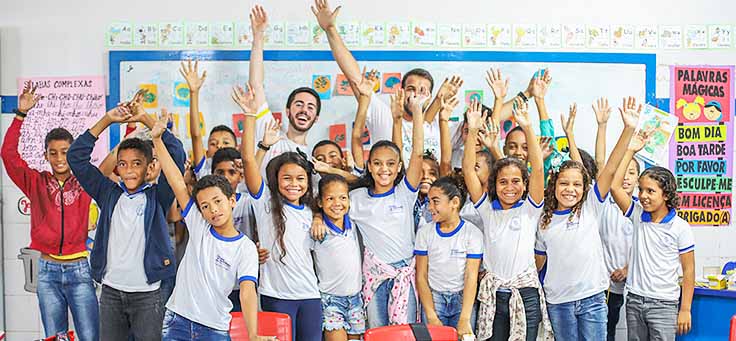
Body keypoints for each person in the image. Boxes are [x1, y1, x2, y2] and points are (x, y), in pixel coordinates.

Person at [68, 93, 184, 340]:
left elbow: (177, 156)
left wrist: (146, 119)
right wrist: (107, 120)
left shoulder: (158, 196)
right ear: (116, 167)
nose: (129, 170)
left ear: (150, 167)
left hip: (148, 294)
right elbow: (75, 157)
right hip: (111, 292)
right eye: (123, 164)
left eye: (136, 163)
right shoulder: (108, 193)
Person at [148, 113, 271, 341]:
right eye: (205, 206)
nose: (213, 210)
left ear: (232, 201)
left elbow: (247, 292)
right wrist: (157, 139)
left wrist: (252, 334)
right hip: (177, 321)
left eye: (217, 202)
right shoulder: (199, 224)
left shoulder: (245, 248)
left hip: (214, 329)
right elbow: (176, 180)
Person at [534, 97, 641, 340]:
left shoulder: (591, 207)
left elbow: (611, 167)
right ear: (553, 186)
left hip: (592, 298)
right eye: (563, 183)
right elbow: (539, 260)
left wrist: (628, 129)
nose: (569, 189)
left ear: (585, 188)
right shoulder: (544, 220)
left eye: (576, 184)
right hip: (558, 301)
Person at [1, 82, 98, 340]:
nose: (58, 158)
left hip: (79, 269)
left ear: (74, 153)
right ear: (45, 155)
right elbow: (8, 155)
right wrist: (20, 115)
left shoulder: (86, 180)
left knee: (90, 336)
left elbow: (111, 163)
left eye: (65, 152)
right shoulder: (36, 182)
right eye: (52, 153)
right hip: (47, 271)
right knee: (54, 337)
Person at [313, 0, 463, 162]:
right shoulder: (386, 117)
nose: (416, 95)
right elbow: (355, 78)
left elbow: (477, 130)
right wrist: (331, 30)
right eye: (411, 88)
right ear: (402, 91)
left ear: (431, 96)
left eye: (422, 90)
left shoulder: (441, 127)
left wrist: (439, 102)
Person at [239, 82, 323, 340]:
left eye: (300, 179)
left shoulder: (312, 210)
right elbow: (248, 161)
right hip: (276, 295)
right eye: (287, 178)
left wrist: (319, 215)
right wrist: (252, 122)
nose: (293, 184)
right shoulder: (264, 201)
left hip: (310, 295)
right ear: (276, 180)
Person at [464, 99, 553, 340]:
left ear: (525, 186)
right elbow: (469, 171)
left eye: (516, 182)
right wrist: (472, 131)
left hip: (525, 293)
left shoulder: (530, 209)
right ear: (494, 185)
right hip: (494, 295)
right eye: (503, 182)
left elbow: (537, 168)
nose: (510, 187)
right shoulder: (487, 210)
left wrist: (527, 126)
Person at [610, 121, 695, 340]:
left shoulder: (680, 227)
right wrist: (631, 150)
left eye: (651, 191)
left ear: (665, 194)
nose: (644, 195)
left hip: (665, 305)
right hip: (635, 300)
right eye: (641, 190)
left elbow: (688, 271)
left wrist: (684, 309)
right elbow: (614, 187)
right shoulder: (638, 215)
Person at [414, 176, 483, 338]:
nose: (430, 207)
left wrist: (465, 317)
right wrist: (431, 314)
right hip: (434, 299)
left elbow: (471, 276)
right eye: (429, 201)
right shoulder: (425, 233)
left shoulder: (472, 233)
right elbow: (421, 276)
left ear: (455, 202)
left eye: (435, 201)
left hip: (463, 300)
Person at [313, 174, 366, 341]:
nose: (337, 203)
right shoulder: (318, 230)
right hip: (331, 300)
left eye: (343, 198)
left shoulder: (354, 223)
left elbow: (361, 180)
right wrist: (317, 217)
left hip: (356, 298)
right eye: (330, 198)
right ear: (320, 202)